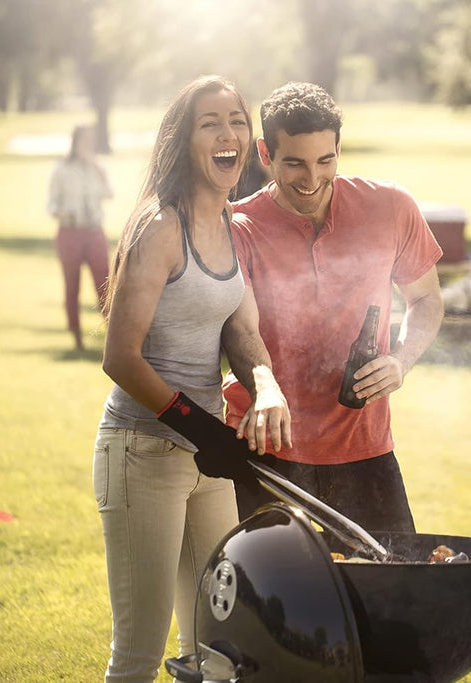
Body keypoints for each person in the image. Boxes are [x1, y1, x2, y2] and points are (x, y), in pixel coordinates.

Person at [94, 75, 292, 682]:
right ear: (184, 140)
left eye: (237, 119)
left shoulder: (231, 226)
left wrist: (268, 388)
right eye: (211, 122)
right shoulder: (160, 227)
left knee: (216, 645)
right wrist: (199, 429)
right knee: (139, 653)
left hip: (209, 458)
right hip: (143, 452)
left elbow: (245, 334)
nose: (229, 133)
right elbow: (120, 357)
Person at [221, 81, 445, 533]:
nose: (311, 179)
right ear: (265, 154)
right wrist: (266, 390)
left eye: (326, 160)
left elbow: (425, 300)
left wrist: (401, 361)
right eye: (294, 163)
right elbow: (239, 330)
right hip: (264, 446)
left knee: (393, 593)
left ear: (340, 147)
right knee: (271, 599)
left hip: (364, 445)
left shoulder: (391, 206)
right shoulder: (238, 227)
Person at [47, 125, 114, 350]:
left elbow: (109, 193)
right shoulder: (62, 169)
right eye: (84, 141)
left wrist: (97, 169)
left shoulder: (98, 167)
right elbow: (51, 203)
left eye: (91, 141)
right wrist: (63, 212)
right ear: (75, 143)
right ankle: (76, 336)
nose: (88, 145)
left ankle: (112, 333)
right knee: (72, 285)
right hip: (69, 232)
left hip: (94, 231)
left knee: (104, 283)